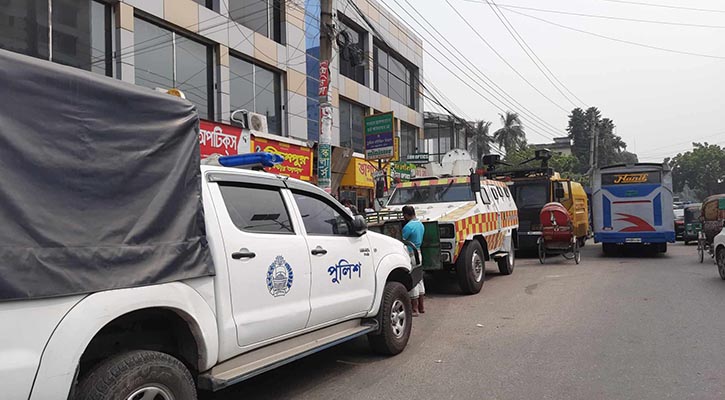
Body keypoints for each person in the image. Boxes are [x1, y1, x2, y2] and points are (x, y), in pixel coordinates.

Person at [402, 205, 425, 316]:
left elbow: (401, 240)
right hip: (419, 252)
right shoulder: (420, 224)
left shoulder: (408, 227)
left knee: (413, 280)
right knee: (419, 279)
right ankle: (421, 307)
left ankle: (414, 309)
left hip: (411, 254)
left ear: (406, 215)